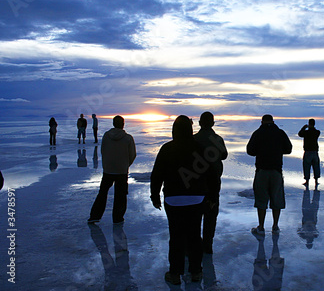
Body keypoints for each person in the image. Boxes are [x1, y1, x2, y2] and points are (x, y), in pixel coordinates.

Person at [150, 115, 208, 285]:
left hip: (173, 199)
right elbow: (210, 175)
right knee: (194, 235)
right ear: (190, 129)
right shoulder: (200, 148)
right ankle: (196, 271)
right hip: (197, 199)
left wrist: (155, 195)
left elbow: (157, 175)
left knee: (176, 236)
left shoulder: (167, 148)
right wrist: (211, 196)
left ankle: (175, 273)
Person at [247, 114, 292, 236]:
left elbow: (250, 151)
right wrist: (277, 150)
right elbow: (289, 149)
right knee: (276, 198)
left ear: (261, 122)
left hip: (262, 170)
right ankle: (275, 226)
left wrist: (261, 150)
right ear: (273, 121)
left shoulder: (257, 133)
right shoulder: (280, 133)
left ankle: (261, 227)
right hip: (276, 171)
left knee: (261, 199)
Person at [88, 115, 136, 224]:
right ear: (122, 124)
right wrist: (125, 165)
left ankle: (95, 215)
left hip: (108, 170)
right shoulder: (128, 138)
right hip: (121, 171)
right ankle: (118, 218)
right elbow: (132, 154)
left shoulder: (106, 136)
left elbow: (103, 151)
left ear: (113, 124)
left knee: (102, 193)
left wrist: (107, 164)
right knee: (121, 195)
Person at [193, 111, 228, 254]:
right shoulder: (217, 139)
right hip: (213, 184)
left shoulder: (193, 139)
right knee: (211, 216)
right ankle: (208, 245)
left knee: (194, 216)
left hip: (195, 183)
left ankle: (194, 245)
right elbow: (224, 155)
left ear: (200, 123)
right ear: (213, 123)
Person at [298, 118, 321, 187]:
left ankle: (307, 181)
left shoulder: (306, 132)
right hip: (315, 152)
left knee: (306, 166)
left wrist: (304, 128)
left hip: (308, 151)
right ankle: (316, 181)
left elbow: (300, 134)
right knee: (316, 166)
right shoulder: (317, 132)